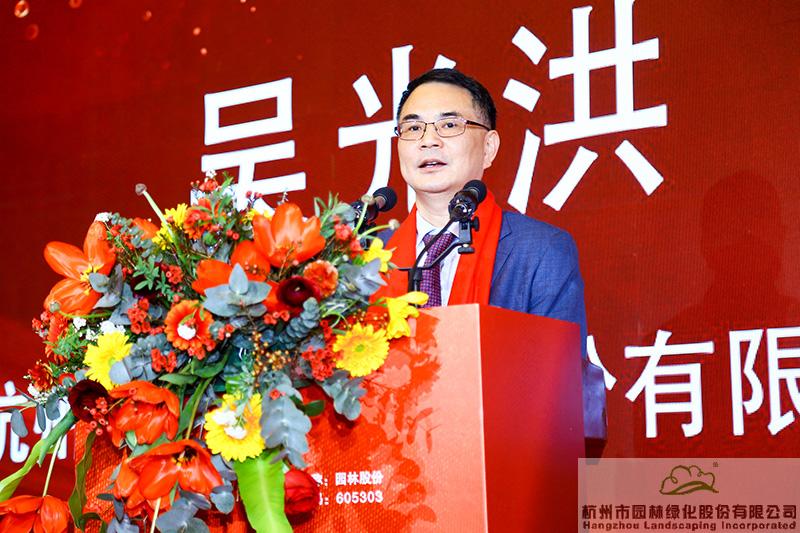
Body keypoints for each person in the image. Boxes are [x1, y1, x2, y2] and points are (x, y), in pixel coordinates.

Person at [378, 68, 588, 352]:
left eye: (449, 125)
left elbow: (559, 373)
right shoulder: (366, 260)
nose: (428, 140)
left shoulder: (541, 252)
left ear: (489, 147)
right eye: (413, 128)